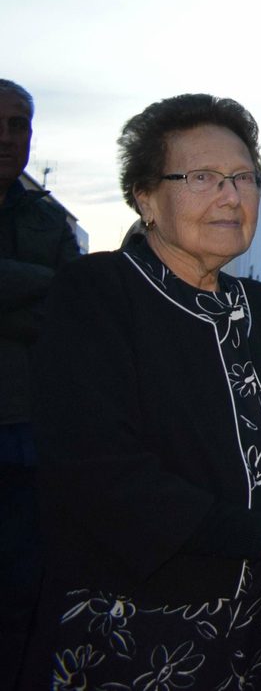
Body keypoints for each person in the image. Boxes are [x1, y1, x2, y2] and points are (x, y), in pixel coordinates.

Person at [22, 94, 261, 690]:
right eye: (202, 177)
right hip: (140, 623)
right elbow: (101, 472)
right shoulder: (97, 292)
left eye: (244, 178)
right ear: (145, 197)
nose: (231, 196)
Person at [0, 79, 82, 686]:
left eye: (17, 125)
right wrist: (39, 283)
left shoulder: (48, 218)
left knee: (23, 597)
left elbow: (73, 310)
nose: (6, 137)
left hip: (29, 437)